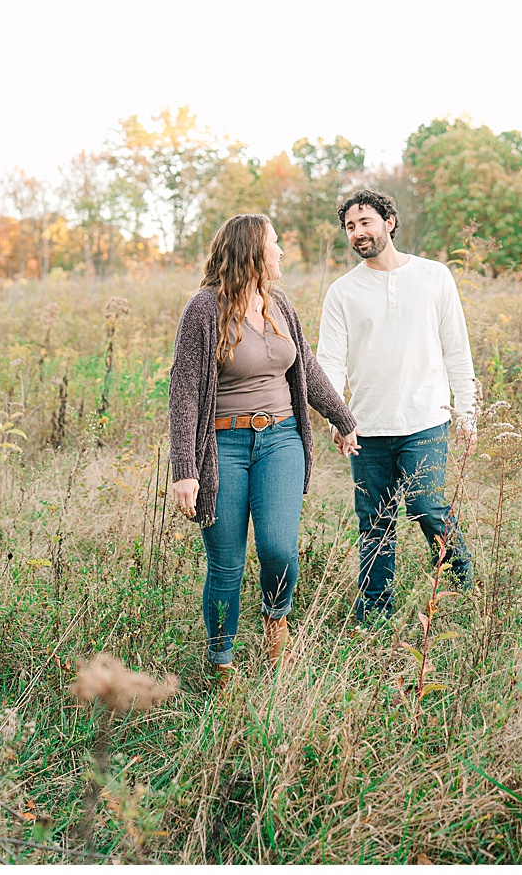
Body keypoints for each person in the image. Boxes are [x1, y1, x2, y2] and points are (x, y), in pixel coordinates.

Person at [168, 213, 358, 674]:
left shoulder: (280, 305)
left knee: (279, 549)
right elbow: (184, 389)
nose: (280, 252)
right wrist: (185, 471)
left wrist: (343, 418)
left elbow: (306, 369)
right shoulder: (204, 309)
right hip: (223, 448)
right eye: (275, 244)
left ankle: (276, 621)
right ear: (253, 251)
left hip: (280, 440)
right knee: (227, 565)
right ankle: (222, 661)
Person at [316, 190, 476, 626]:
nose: (358, 233)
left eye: (365, 221)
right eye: (350, 226)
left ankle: (463, 584)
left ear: (389, 221)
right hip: (366, 428)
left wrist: (468, 411)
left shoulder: (434, 276)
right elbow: (328, 361)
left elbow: (455, 349)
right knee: (374, 521)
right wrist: (337, 415)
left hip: (426, 418)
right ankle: (374, 612)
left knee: (427, 505)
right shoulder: (342, 293)